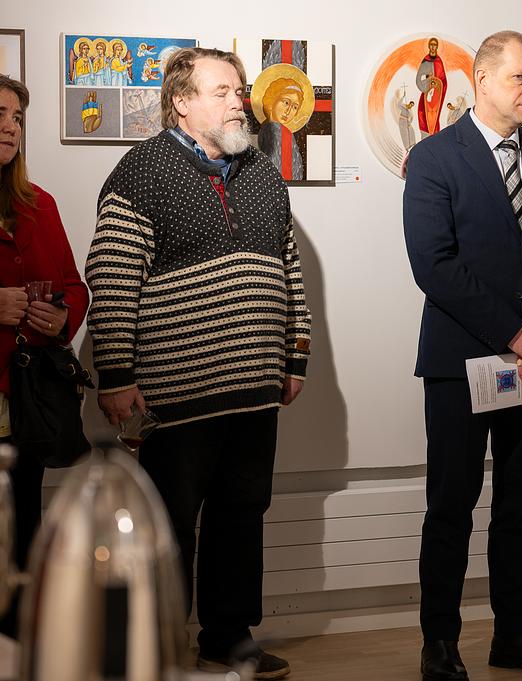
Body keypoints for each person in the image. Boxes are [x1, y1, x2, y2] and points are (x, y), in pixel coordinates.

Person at [85, 47, 311, 680]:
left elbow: (290, 270)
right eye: (223, 92)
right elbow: (112, 277)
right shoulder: (141, 172)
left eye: (239, 91)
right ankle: (153, 644)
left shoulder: (262, 174)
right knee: (167, 525)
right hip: (175, 395)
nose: (240, 102)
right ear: (182, 103)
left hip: (256, 389)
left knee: (242, 516)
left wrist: (295, 355)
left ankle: (228, 639)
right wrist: (116, 375)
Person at [403, 30, 522, 681]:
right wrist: (515, 332)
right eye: (520, 78)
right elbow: (434, 264)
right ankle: (440, 642)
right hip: (461, 365)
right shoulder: (433, 157)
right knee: (451, 507)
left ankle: (516, 634)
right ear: (481, 80)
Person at [0, 75, 89, 638]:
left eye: (17, 118)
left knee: (21, 527)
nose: (10, 126)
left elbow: (74, 287)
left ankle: (16, 645)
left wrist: (62, 317)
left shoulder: (39, 203)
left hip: (25, 400)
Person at [257, 77, 306, 180]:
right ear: (272, 100)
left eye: (295, 107)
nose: (288, 111)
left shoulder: (266, 128)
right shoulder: (278, 131)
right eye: (286, 102)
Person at [416, 37, 447, 139]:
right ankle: (424, 139)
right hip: (426, 94)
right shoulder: (425, 61)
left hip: (436, 97)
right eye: (431, 45)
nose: (433, 47)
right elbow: (418, 78)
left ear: (437, 47)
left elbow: (443, 80)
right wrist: (426, 86)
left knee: (434, 117)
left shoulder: (439, 61)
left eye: (435, 45)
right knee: (422, 114)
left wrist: (437, 86)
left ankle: (434, 139)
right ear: (429, 46)